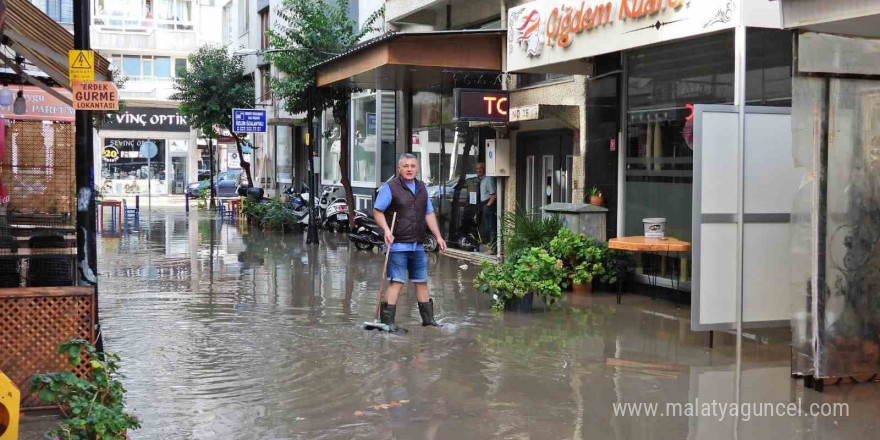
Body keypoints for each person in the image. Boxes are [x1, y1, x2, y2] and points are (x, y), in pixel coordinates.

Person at [373, 154, 448, 332]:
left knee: (421, 281)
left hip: (418, 244)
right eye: (405, 166)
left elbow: (428, 213)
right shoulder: (389, 188)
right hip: (397, 244)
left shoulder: (422, 187)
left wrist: (438, 236)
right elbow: (377, 211)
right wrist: (386, 230)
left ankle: (428, 321)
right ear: (399, 168)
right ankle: (388, 323)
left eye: (413, 166)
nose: (409, 169)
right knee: (397, 281)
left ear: (417, 169)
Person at [476, 162, 497, 254]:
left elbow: (494, 194)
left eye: (481, 168)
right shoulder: (482, 180)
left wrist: (488, 205)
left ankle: (493, 249)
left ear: (485, 169)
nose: (478, 170)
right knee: (488, 226)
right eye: (477, 168)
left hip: (489, 204)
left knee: (492, 226)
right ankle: (490, 247)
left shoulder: (488, 179)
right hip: (484, 204)